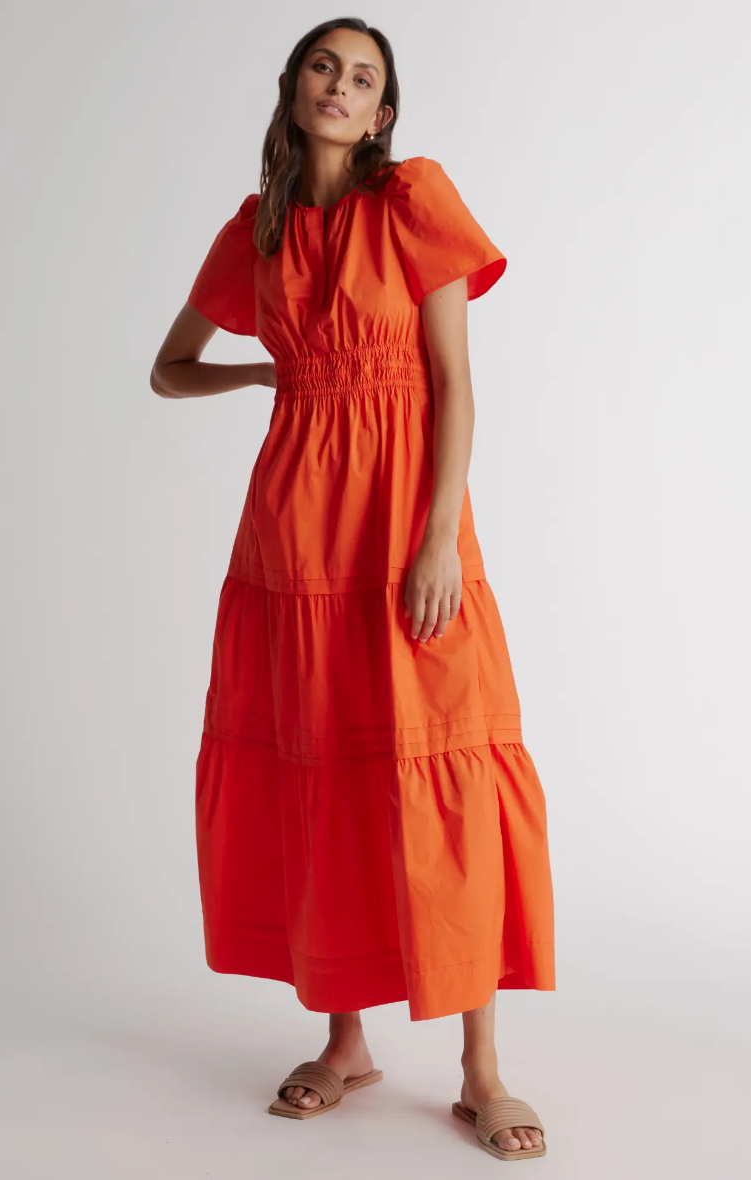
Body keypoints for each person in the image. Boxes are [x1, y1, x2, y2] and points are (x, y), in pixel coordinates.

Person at [150, 17, 555, 1162]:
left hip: (405, 523)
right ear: (292, 91)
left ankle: (480, 1068)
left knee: (448, 773)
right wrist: (265, 369)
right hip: (291, 532)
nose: (340, 85)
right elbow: (166, 367)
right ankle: (345, 1041)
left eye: (363, 76)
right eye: (323, 65)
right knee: (320, 763)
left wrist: (438, 541)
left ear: (382, 115)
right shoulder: (257, 230)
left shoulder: (413, 200)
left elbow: (454, 387)